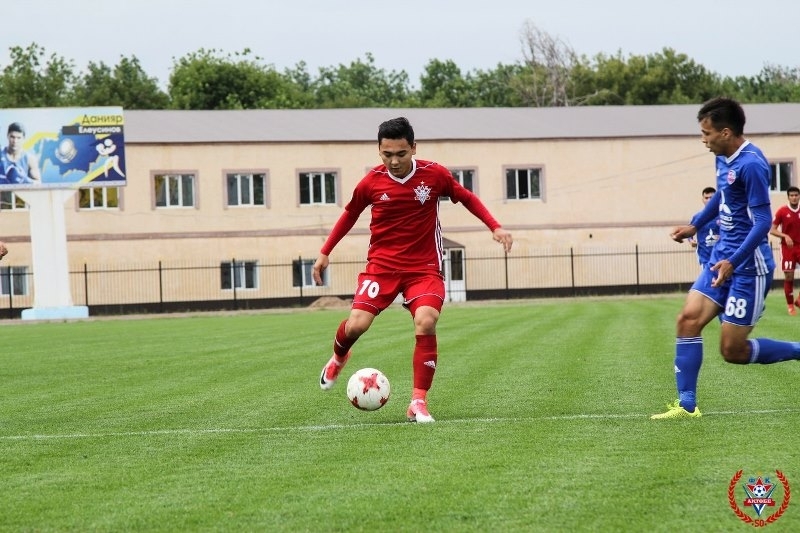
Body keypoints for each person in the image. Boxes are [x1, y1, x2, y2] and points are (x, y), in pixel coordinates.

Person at [313, 117, 513, 423]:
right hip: (382, 267)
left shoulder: (434, 175)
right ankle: (339, 358)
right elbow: (350, 214)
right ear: (379, 151)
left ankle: (418, 401)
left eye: (401, 154)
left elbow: (467, 198)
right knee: (356, 326)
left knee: (426, 320)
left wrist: (495, 227)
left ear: (414, 148)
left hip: (424, 267)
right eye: (387, 154)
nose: (394, 161)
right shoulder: (371, 183)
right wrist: (325, 251)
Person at [652, 97, 800, 420]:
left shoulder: (752, 165)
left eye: (706, 133)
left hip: (747, 267)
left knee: (732, 351)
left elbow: (763, 222)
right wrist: (696, 224)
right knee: (687, 320)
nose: (703, 140)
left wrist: (733, 261)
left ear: (726, 133)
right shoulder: (723, 158)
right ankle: (687, 405)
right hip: (720, 258)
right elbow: (722, 194)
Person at [769, 186, 800, 315]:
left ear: (799, 196)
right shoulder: (782, 211)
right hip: (787, 248)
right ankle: (790, 306)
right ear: (788, 197)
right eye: (791, 195)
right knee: (789, 276)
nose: (794, 197)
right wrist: (785, 236)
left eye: (796, 195)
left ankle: (799, 300)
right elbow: (772, 230)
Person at [688, 186, 719, 267]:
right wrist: (691, 240)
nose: (709, 200)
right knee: (708, 273)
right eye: (706, 198)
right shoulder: (697, 217)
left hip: (721, 254)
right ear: (703, 200)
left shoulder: (723, 215)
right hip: (704, 255)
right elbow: (689, 230)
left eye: (711, 198)